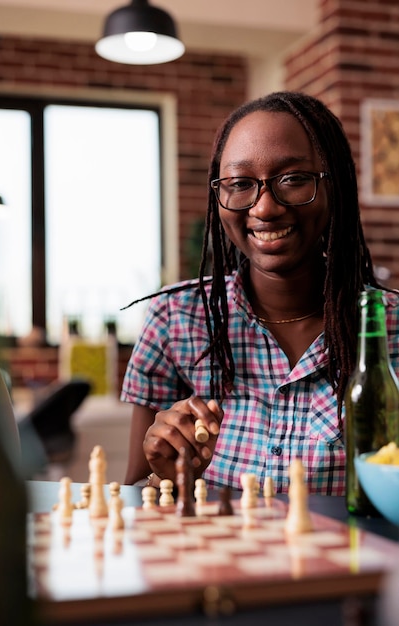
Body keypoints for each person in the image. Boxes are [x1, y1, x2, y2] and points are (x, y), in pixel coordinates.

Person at [120, 91, 399, 495]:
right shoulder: (176, 319)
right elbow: (133, 495)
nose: (265, 208)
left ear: (334, 185)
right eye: (239, 183)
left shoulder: (389, 328)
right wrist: (166, 475)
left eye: (294, 179)